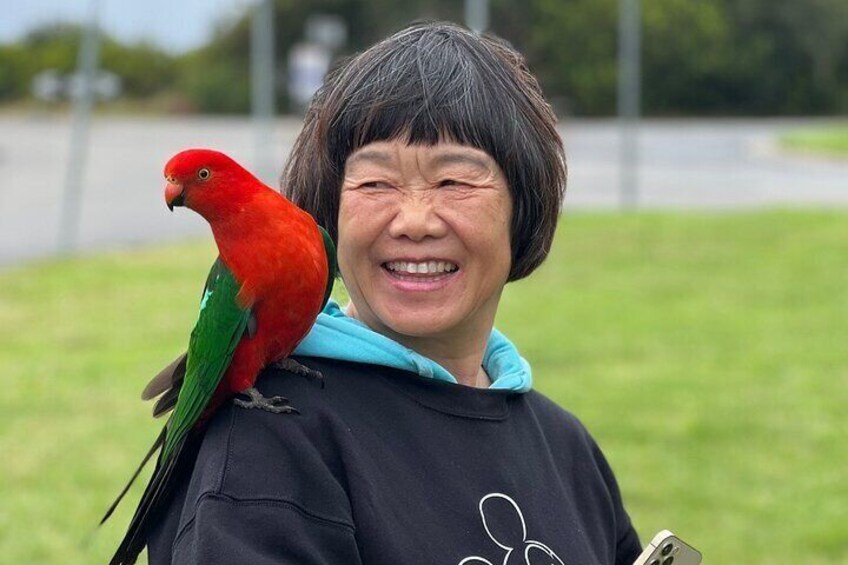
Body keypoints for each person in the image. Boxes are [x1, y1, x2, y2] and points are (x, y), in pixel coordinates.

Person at [148, 21, 642, 565]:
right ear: (328, 210)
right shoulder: (271, 451)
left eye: (454, 181)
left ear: (524, 210)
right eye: (375, 182)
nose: (414, 221)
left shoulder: (567, 449)